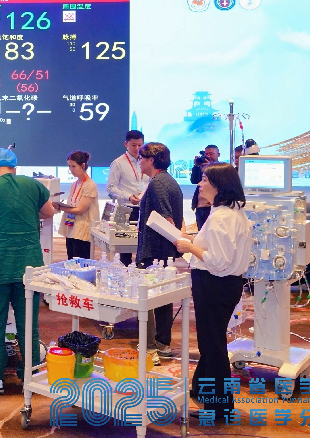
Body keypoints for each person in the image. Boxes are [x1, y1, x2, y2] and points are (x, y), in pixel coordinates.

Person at [0, 148, 56, 394]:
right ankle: (30, 375)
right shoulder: (33, 185)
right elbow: (49, 212)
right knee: (28, 323)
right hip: (28, 265)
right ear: (14, 167)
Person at [174, 163, 251, 420]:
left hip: (214, 283)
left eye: (205, 179)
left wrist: (189, 247)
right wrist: (191, 240)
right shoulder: (230, 212)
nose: (200, 184)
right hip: (223, 284)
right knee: (211, 341)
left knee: (213, 344)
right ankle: (204, 391)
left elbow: (217, 260)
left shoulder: (221, 217)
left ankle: (220, 407)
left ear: (218, 185)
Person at [137, 142, 184, 358]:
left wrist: (178, 242)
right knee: (162, 297)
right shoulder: (168, 180)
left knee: (148, 297)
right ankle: (162, 343)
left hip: (154, 250)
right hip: (162, 250)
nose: (139, 162)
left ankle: (150, 347)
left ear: (151, 160)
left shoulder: (158, 183)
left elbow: (167, 218)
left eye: (142, 158)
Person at [106, 130, 147, 265]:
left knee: (144, 245)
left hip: (144, 208)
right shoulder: (118, 163)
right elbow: (110, 187)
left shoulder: (147, 161)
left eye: (140, 145)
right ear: (126, 144)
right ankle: (124, 272)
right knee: (124, 249)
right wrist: (128, 196)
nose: (137, 148)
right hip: (125, 208)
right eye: (133, 145)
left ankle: (142, 271)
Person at [54, 150, 99, 260]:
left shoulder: (90, 185)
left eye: (73, 166)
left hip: (83, 230)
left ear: (83, 166)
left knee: (82, 262)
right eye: (69, 166)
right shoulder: (74, 184)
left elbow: (80, 210)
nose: (71, 170)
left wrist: (60, 207)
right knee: (71, 260)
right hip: (71, 227)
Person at [190, 145, 219, 229]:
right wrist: (196, 166)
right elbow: (194, 181)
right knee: (201, 232)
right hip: (200, 207)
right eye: (206, 154)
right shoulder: (202, 167)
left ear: (218, 154)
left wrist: (210, 168)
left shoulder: (222, 169)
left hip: (213, 206)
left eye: (211, 154)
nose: (208, 156)